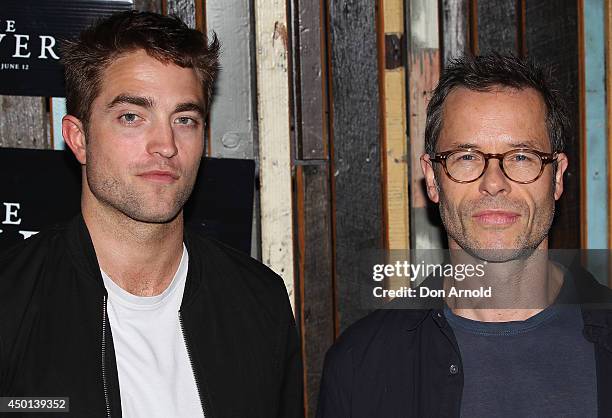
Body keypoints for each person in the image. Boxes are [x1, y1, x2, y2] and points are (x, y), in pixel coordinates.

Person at [0, 11, 302, 418]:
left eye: (185, 119)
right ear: (78, 138)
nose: (165, 144)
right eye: (131, 117)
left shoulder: (259, 302)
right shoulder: (11, 300)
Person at [317, 53, 612, 417]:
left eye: (521, 156)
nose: (493, 183)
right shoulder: (361, 364)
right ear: (432, 178)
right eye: (466, 157)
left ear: (556, 176)